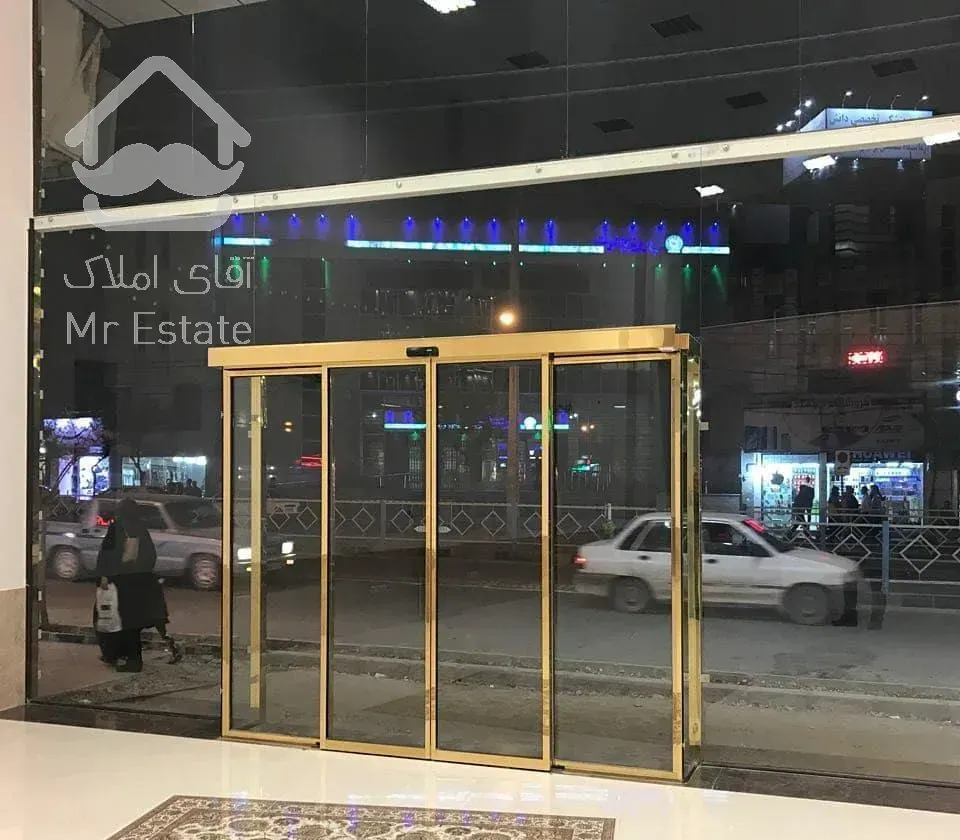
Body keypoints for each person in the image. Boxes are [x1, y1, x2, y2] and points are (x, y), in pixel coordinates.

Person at [94, 498, 170, 672]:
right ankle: (126, 657)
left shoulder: (117, 528)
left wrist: (104, 576)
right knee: (130, 624)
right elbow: (150, 556)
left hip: (119, 584)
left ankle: (117, 656)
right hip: (138, 583)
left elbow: (106, 555)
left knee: (109, 619)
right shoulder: (140, 529)